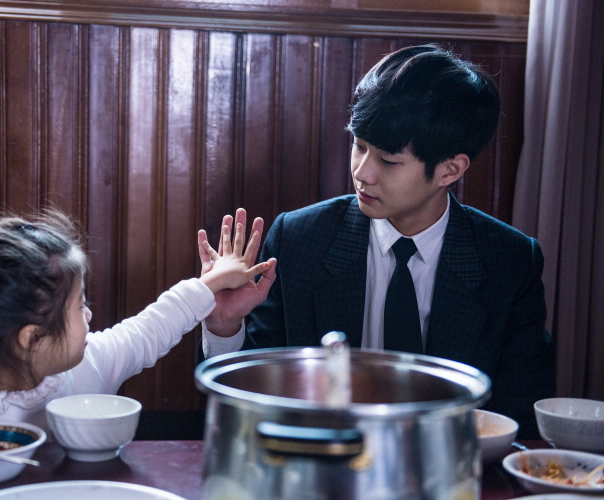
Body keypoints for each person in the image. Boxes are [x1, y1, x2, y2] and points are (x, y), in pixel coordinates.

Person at [200, 44, 555, 439]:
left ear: (450, 170)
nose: (362, 173)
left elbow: (518, 413)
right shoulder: (300, 240)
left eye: (388, 160)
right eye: (359, 146)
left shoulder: (510, 261)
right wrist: (224, 326)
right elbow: (253, 398)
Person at [0, 210, 273, 433]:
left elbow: (148, 330)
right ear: (31, 338)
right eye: (79, 305)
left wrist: (209, 286)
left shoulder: (82, 365)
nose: (89, 314)